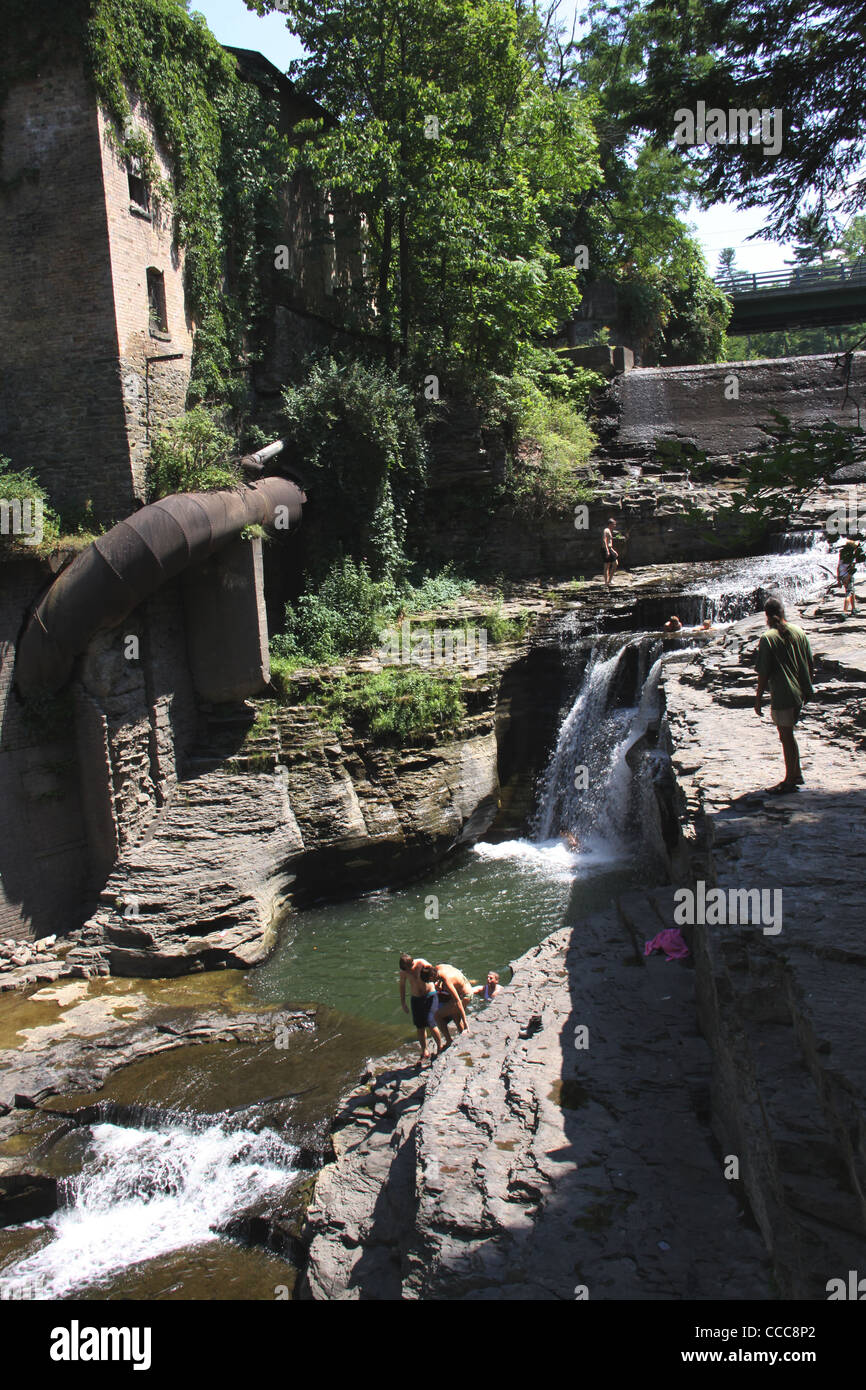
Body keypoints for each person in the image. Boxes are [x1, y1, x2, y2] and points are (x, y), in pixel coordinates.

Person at [754, 597, 815, 794]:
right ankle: (796, 774)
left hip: (783, 692)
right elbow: (810, 662)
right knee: (789, 735)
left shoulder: (768, 638)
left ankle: (790, 780)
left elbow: (763, 672)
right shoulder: (799, 631)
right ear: (782, 612)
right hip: (799, 691)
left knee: (786, 736)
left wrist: (758, 699)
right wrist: (807, 687)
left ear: (767, 616)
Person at [399, 952, 442, 1062]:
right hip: (416, 999)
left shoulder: (421, 963)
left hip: (430, 995)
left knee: (430, 1022)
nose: (407, 971)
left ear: (412, 963)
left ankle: (440, 1047)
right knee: (420, 1026)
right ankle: (425, 1051)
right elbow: (402, 986)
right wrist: (403, 1003)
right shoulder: (403, 972)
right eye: (405, 969)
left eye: (408, 968)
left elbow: (435, 972)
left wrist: (438, 984)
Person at [432, 962, 472, 1047]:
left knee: (437, 1015)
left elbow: (458, 1001)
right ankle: (464, 1038)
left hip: (465, 996)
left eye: (431, 981)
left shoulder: (447, 981)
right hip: (467, 987)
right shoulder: (439, 967)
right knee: (455, 1016)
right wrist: (439, 984)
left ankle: (449, 1040)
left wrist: (465, 1023)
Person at [837, 538, 863, 616]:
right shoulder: (851, 557)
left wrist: (838, 578)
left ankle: (853, 608)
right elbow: (851, 569)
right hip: (848, 577)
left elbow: (838, 567)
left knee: (852, 591)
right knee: (848, 593)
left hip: (842, 576)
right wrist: (848, 577)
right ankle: (844, 612)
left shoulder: (842, 555)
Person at [602, 518, 619, 588]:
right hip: (606, 549)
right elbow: (604, 540)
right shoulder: (606, 530)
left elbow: (609, 542)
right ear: (610, 524)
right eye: (613, 524)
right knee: (614, 564)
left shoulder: (609, 530)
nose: (614, 526)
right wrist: (607, 551)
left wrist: (613, 550)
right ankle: (608, 581)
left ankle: (607, 582)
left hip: (608, 549)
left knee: (608, 565)